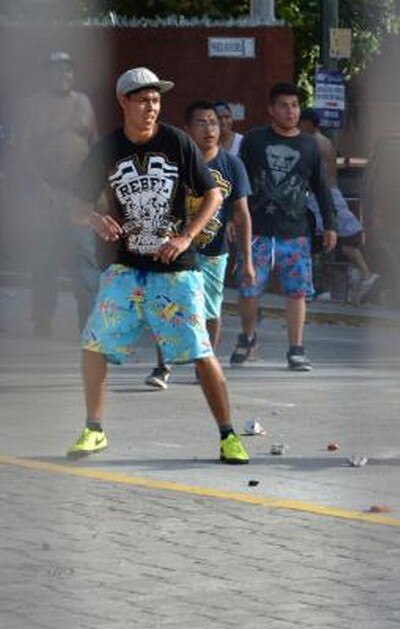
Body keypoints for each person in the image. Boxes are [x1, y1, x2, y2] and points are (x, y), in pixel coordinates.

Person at [64, 67, 248, 464]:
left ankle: (228, 435)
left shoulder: (178, 142)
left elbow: (214, 196)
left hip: (178, 269)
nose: (151, 107)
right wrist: (94, 219)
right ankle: (93, 430)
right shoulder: (107, 148)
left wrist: (186, 237)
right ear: (123, 102)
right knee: (93, 343)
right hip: (125, 269)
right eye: (144, 100)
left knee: (201, 352)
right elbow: (74, 205)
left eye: (157, 100)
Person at [145, 100, 255, 389]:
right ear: (187, 129)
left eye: (214, 123)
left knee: (210, 310)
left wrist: (248, 260)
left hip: (214, 251)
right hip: (175, 247)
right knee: (166, 306)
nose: (209, 128)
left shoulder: (232, 165)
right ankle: (162, 365)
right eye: (202, 122)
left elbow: (242, 213)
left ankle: (204, 363)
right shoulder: (174, 161)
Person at [232, 82, 338, 372]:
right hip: (257, 232)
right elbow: (238, 182)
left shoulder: (309, 145)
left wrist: (330, 224)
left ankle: (296, 349)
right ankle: (248, 336)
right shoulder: (254, 140)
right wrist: (233, 216)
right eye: (283, 105)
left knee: (297, 292)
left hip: (295, 232)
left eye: (294, 105)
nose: (290, 111)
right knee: (249, 289)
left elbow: (321, 187)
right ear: (271, 109)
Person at [20, 51, 100, 334]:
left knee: (84, 257)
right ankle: (42, 317)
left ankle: (87, 320)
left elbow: (95, 146)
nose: (63, 76)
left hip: (78, 194)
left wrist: (96, 187)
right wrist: (39, 185)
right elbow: (22, 150)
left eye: (68, 71)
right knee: (44, 257)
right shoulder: (32, 106)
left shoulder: (84, 103)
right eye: (57, 71)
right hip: (43, 194)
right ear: (46, 74)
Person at [299, 107, 379, 304]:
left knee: (317, 242)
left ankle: (315, 287)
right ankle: (361, 277)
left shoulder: (313, 142)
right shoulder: (325, 141)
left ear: (308, 123)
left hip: (321, 197)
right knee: (337, 243)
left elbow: (310, 172)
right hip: (329, 194)